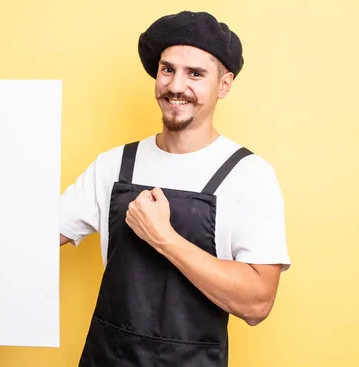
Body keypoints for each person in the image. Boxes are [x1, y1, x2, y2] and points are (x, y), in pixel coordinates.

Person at [59, 10, 291, 367]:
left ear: (224, 84)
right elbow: (32, 237)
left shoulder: (248, 176)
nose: (176, 86)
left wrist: (163, 238)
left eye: (195, 74)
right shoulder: (114, 165)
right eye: (167, 69)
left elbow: (257, 303)